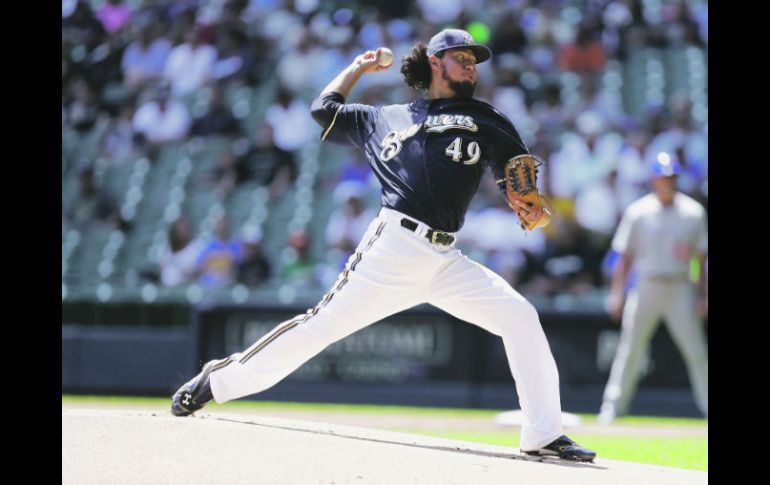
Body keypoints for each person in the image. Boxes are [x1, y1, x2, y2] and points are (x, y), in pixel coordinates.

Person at [171, 29, 596, 462]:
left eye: (474, 59)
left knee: (520, 316)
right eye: (461, 57)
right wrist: (358, 67)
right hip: (394, 248)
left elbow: (515, 165)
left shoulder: (484, 118)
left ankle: (543, 434)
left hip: (447, 258)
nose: (471, 64)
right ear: (435, 62)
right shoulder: (384, 117)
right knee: (320, 327)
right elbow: (324, 109)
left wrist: (524, 198)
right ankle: (218, 380)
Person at [598, 152, 708, 424]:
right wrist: (617, 293)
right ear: (654, 179)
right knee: (630, 348)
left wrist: (701, 292)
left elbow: (698, 260)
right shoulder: (638, 211)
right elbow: (625, 259)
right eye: (663, 177)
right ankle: (613, 406)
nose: (667, 182)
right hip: (646, 285)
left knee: (696, 351)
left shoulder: (693, 212)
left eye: (672, 177)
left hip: (679, 286)